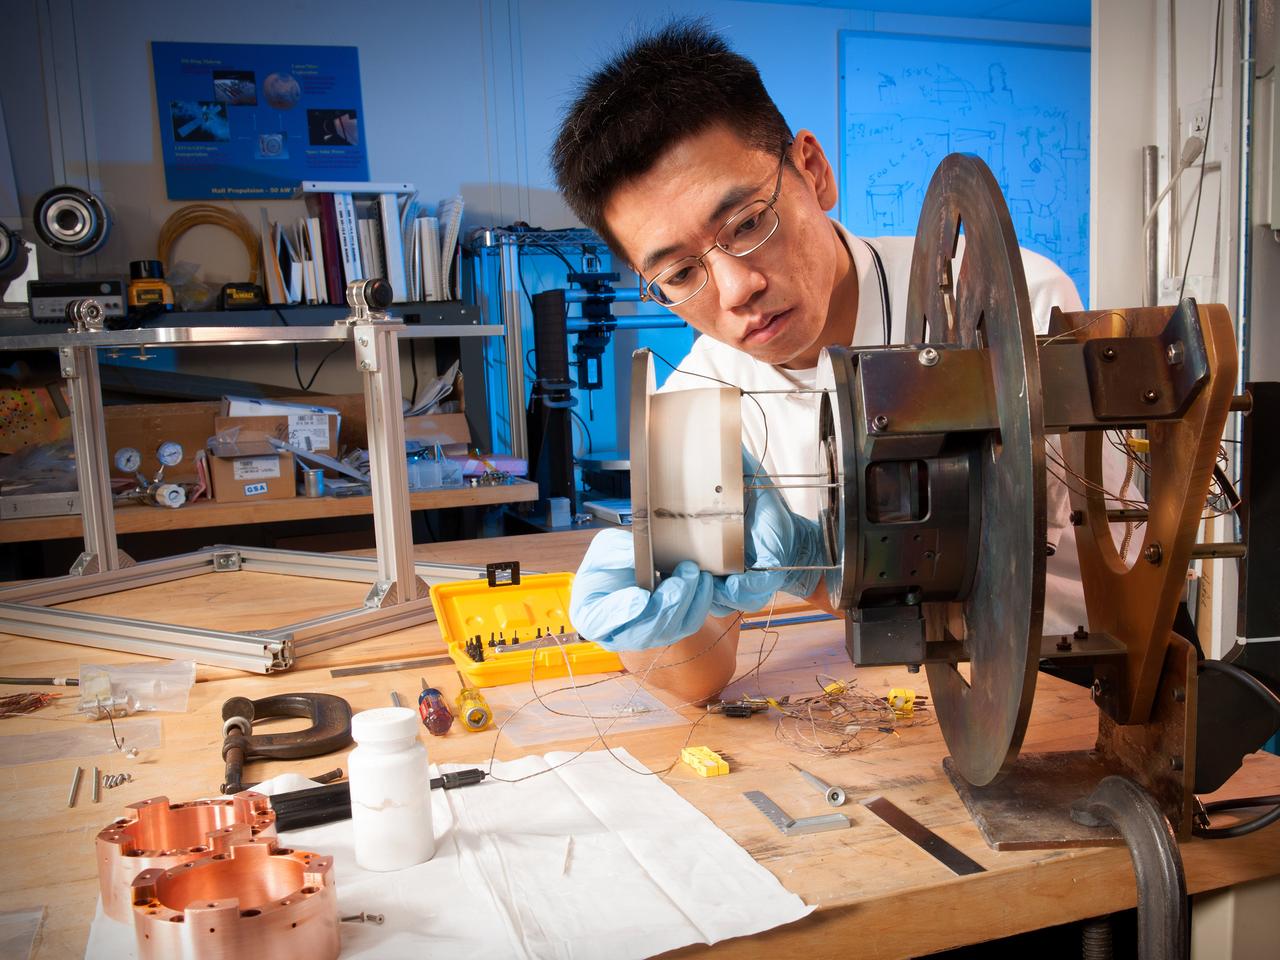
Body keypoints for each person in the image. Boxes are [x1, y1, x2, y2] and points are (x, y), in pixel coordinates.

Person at [552, 20, 1087, 704]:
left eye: (747, 225)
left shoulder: (1004, 309)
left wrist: (815, 571)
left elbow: (1008, 577)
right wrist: (661, 590)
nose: (737, 289)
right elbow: (696, 682)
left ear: (812, 169)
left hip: (1060, 688)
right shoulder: (699, 395)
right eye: (683, 272)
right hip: (897, 717)